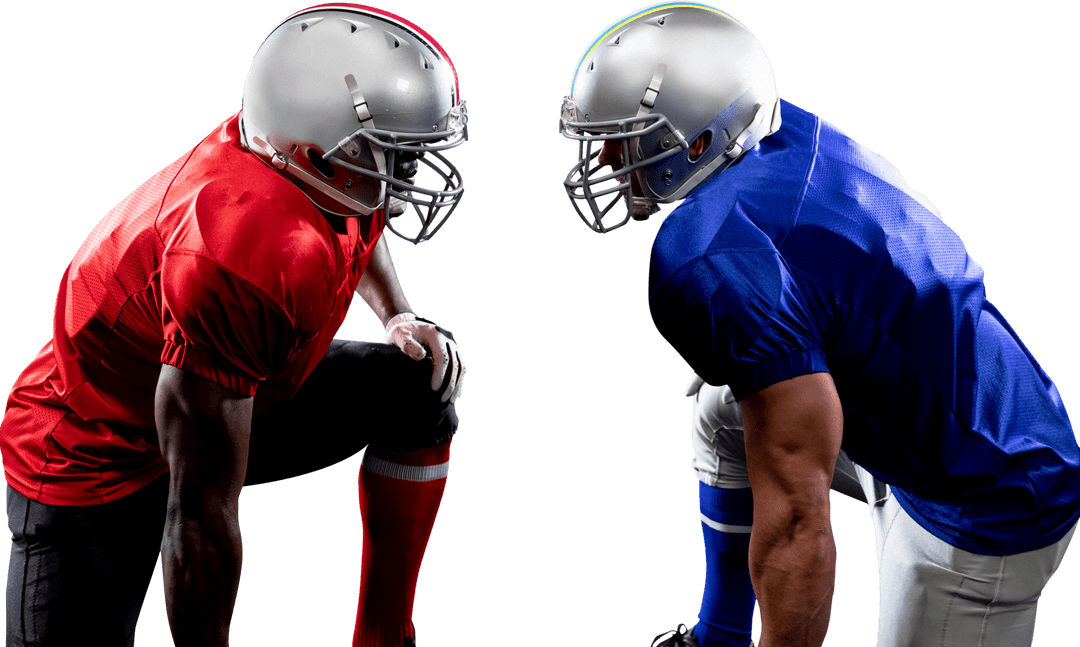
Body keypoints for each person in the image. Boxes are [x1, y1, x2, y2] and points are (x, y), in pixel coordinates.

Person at [559, 3, 1080, 647]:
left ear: (698, 141)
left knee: (776, 447)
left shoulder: (708, 252)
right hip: (940, 405)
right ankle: (719, 635)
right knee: (723, 404)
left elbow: (798, 525)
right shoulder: (787, 132)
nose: (606, 158)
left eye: (627, 138)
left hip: (985, 498)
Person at [1, 4, 467, 647]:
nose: (409, 171)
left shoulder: (322, 164)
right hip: (100, 444)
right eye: (396, 152)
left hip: (225, 381)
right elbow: (200, 516)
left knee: (419, 383)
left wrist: (397, 314)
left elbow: (363, 216)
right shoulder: (236, 251)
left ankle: (383, 637)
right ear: (315, 152)